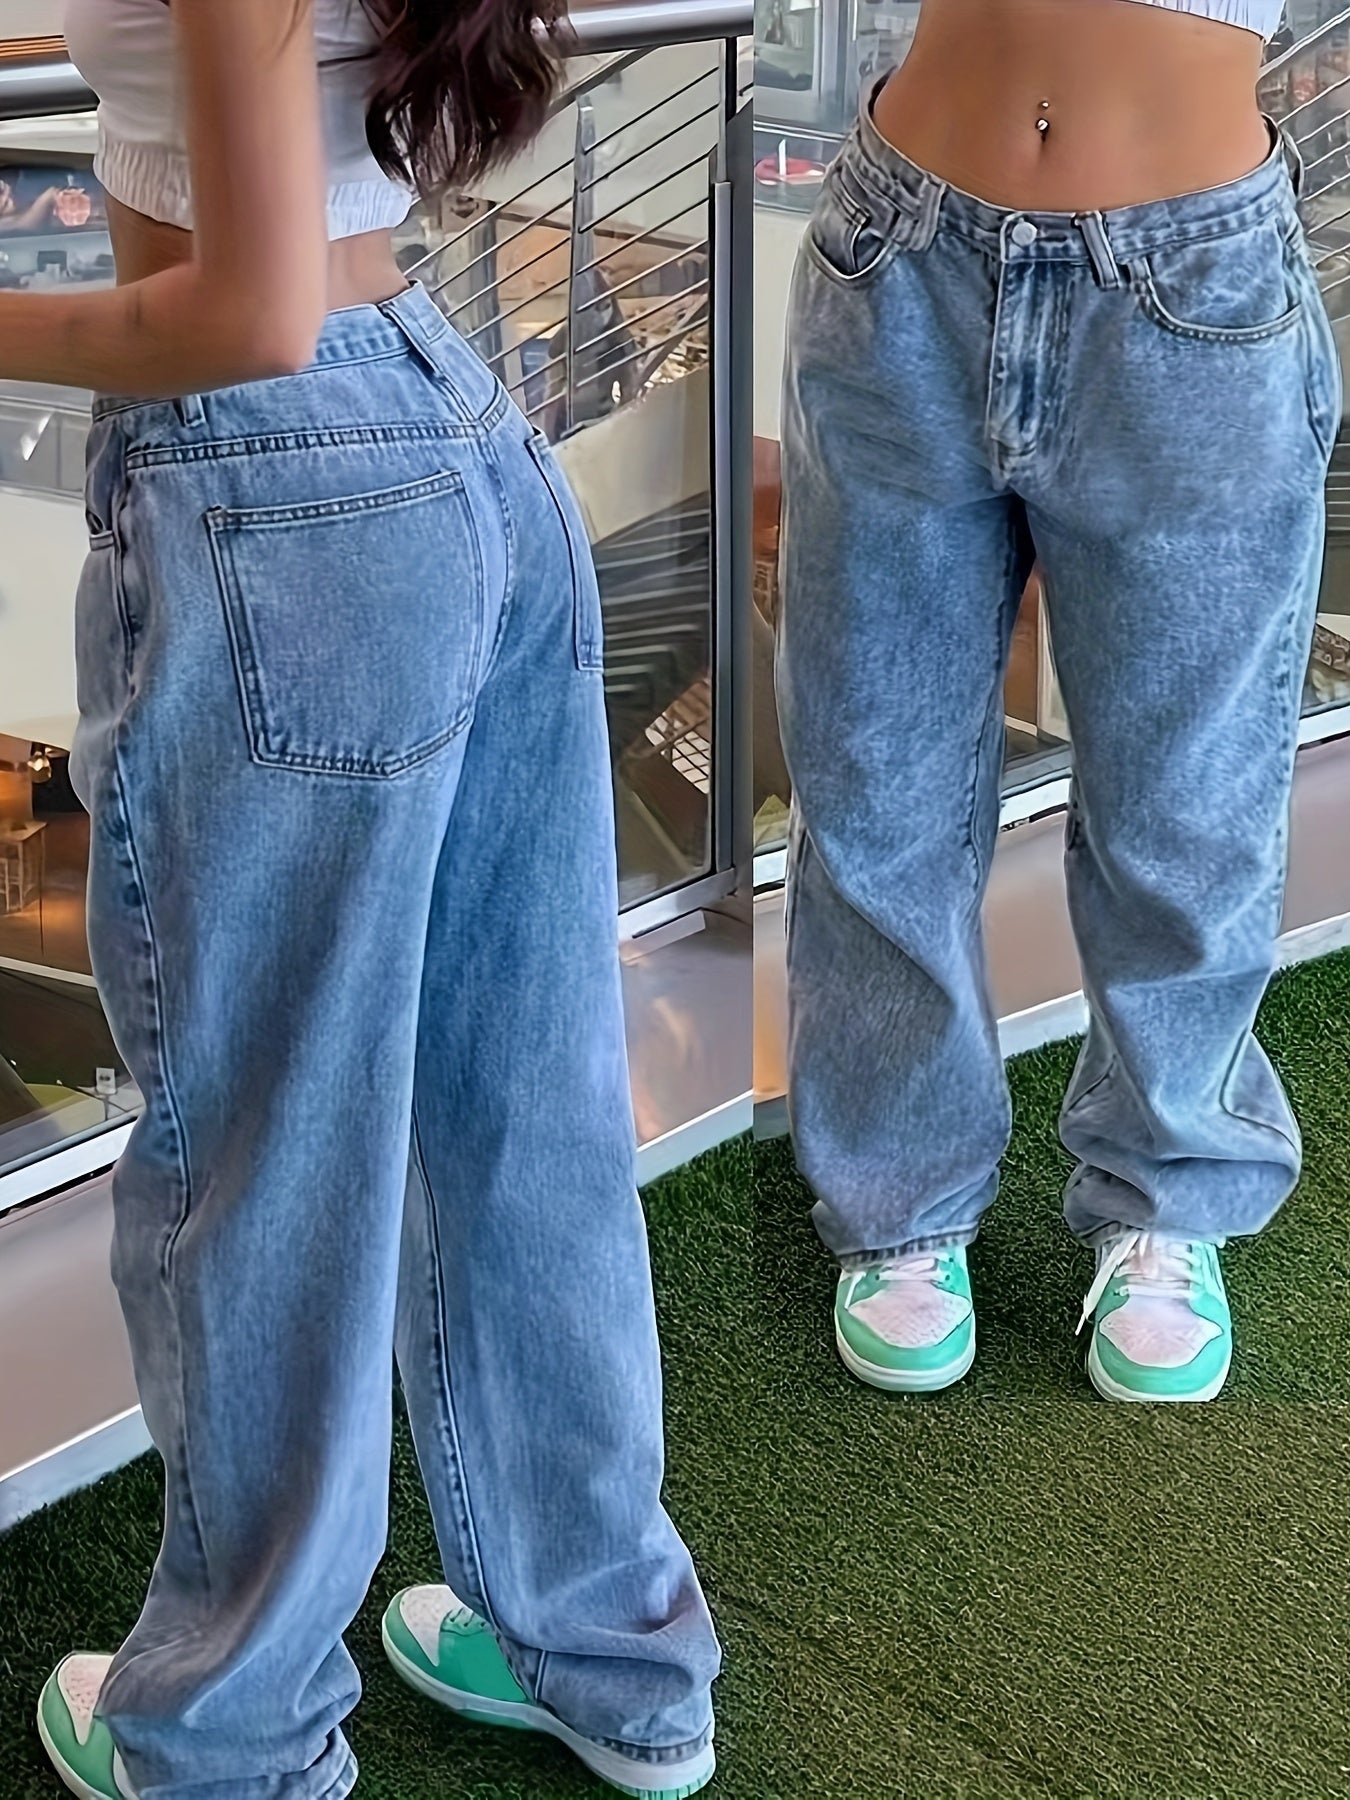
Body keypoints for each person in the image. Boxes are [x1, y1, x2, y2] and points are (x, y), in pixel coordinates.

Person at [20, 3, 720, 1796]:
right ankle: (610, 1648)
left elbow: (245, 315)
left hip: (279, 465)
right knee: (526, 1100)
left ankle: (235, 1737)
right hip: (439, 406)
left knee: (267, 1156)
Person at [777, 0, 1339, 1403]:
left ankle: (1168, 1192)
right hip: (905, 246)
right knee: (875, 776)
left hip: (1191, 275)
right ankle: (897, 1196)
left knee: (1186, 796)